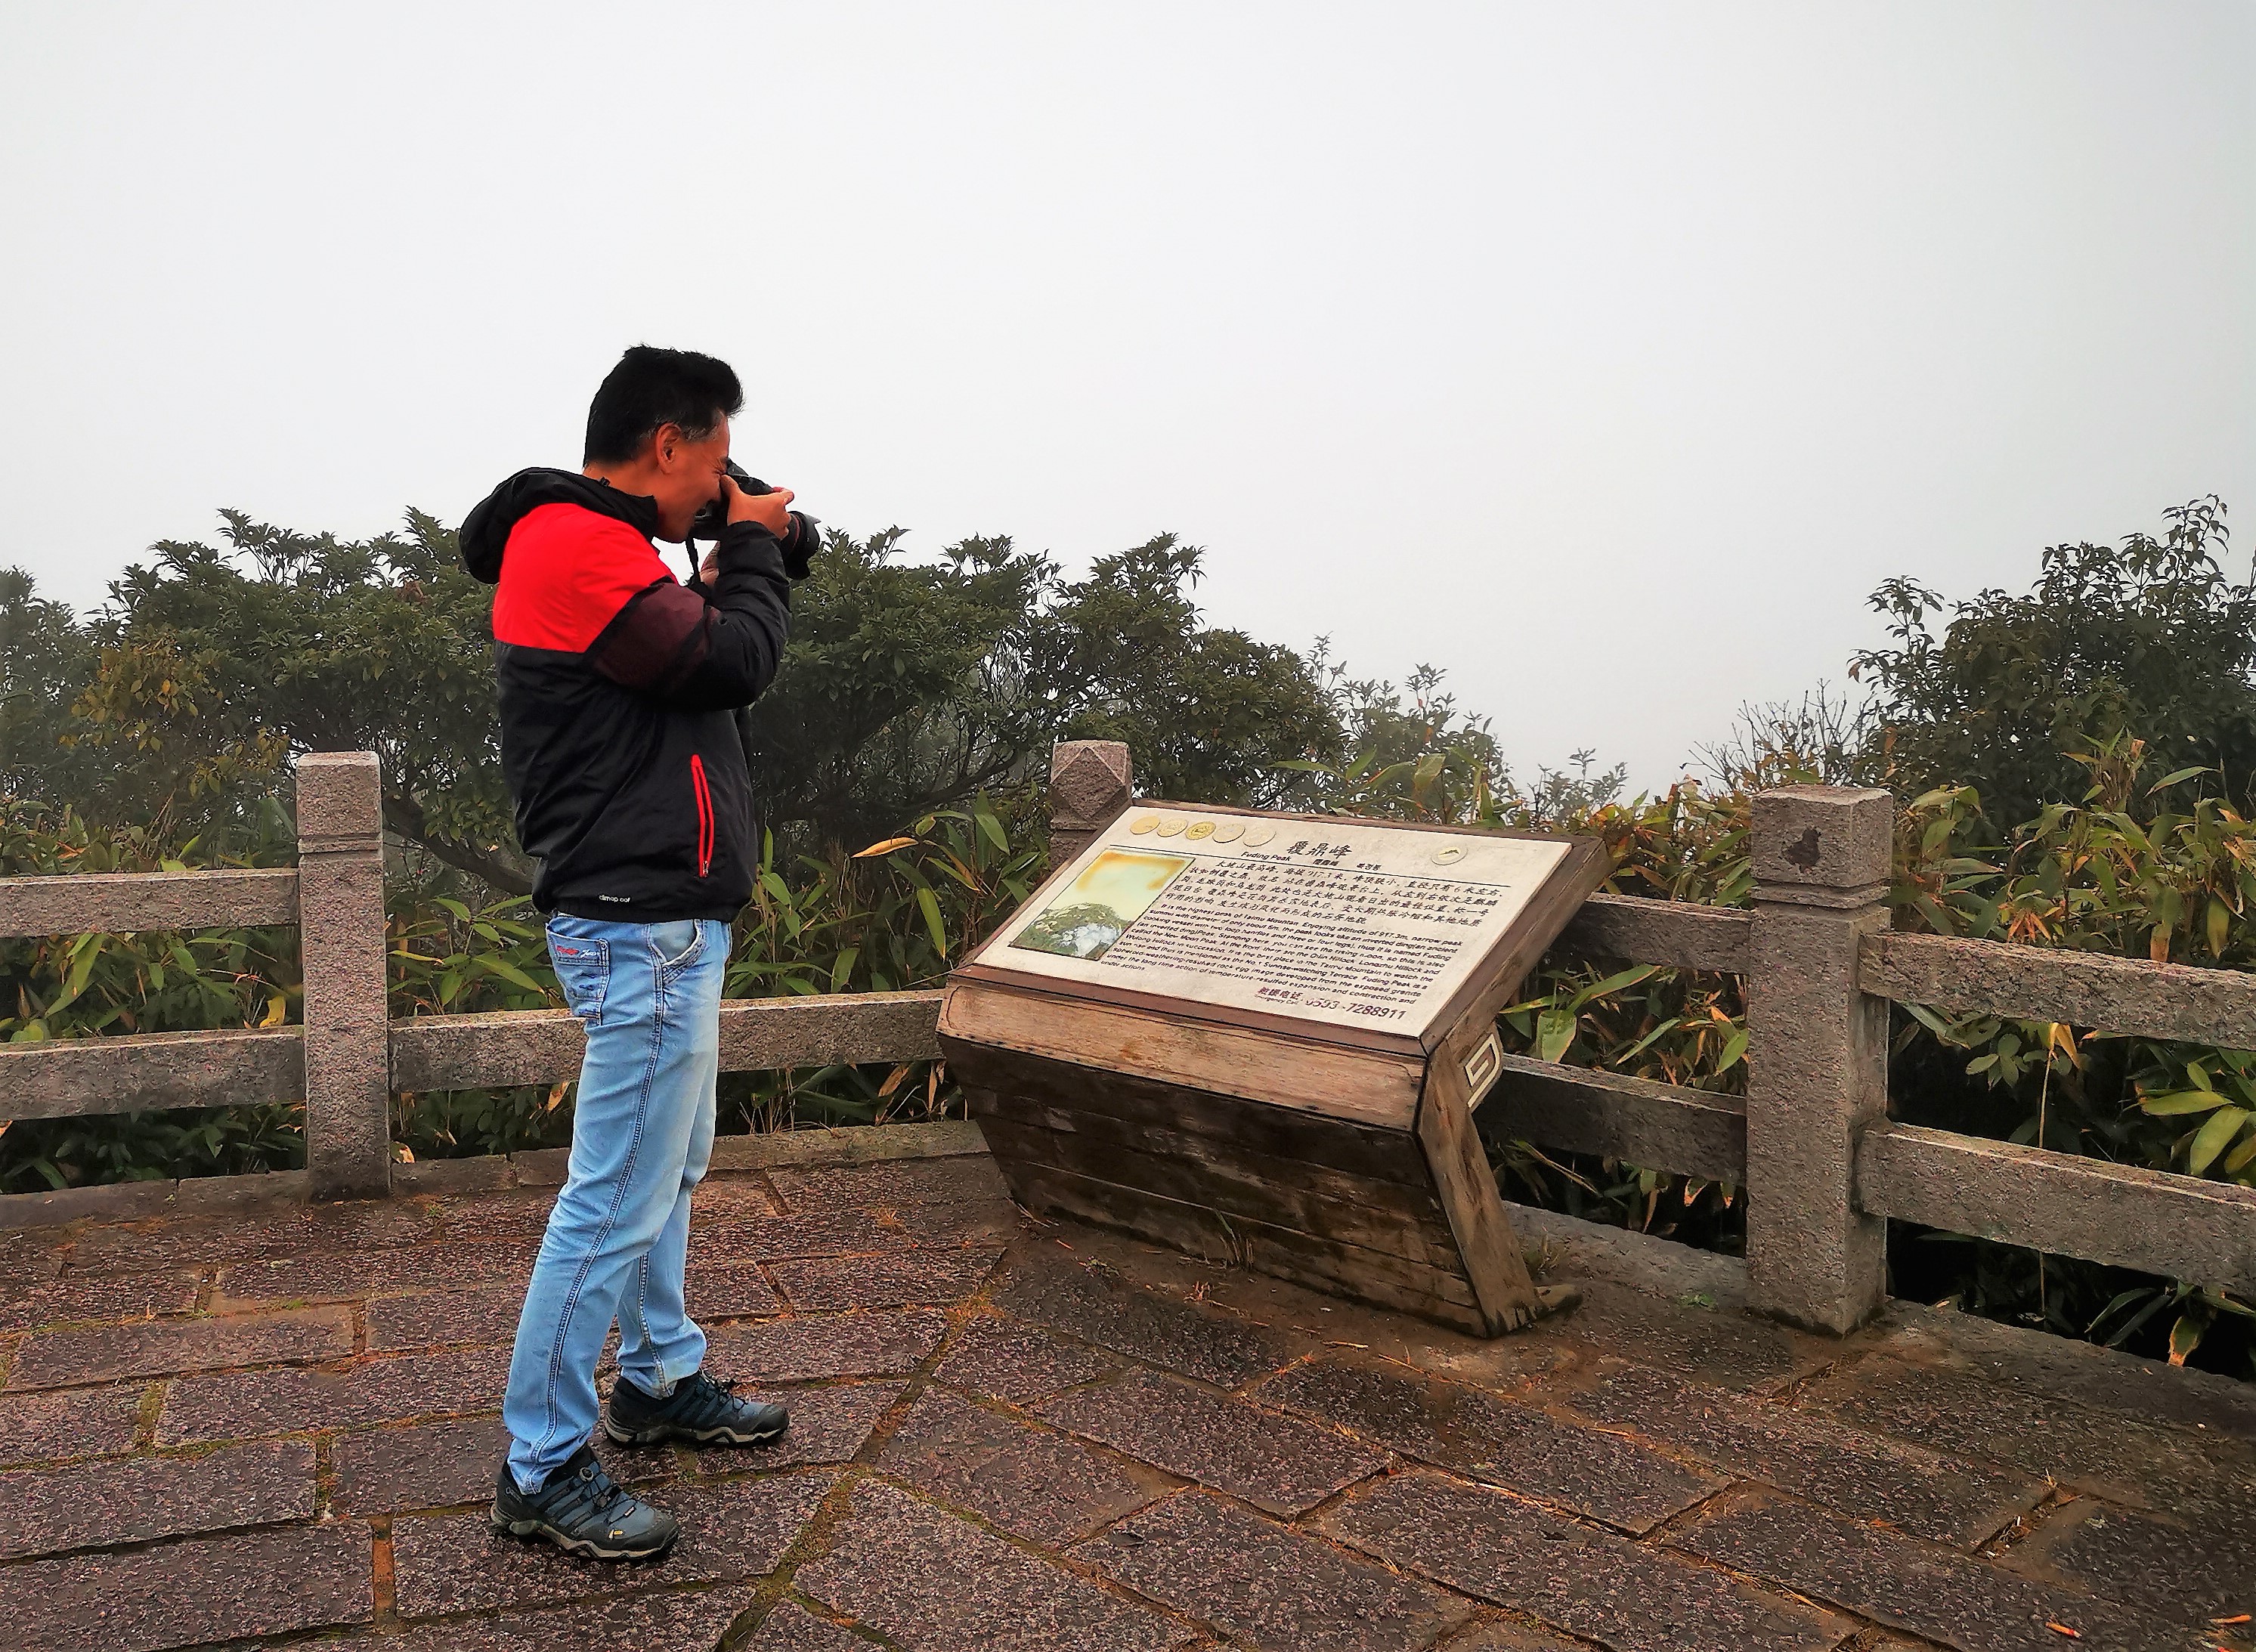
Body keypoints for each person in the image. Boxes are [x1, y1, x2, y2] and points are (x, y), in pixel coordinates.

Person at [458, 345, 819, 1561]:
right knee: (612, 1196)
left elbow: (700, 638)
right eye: (713, 458)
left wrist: (748, 539)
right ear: (669, 444)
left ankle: (658, 1379)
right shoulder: (572, 543)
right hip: (636, 922)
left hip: (659, 918)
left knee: (662, 1172)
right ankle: (541, 1464)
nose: (721, 481)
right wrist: (754, 545)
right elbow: (730, 659)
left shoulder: (601, 548)